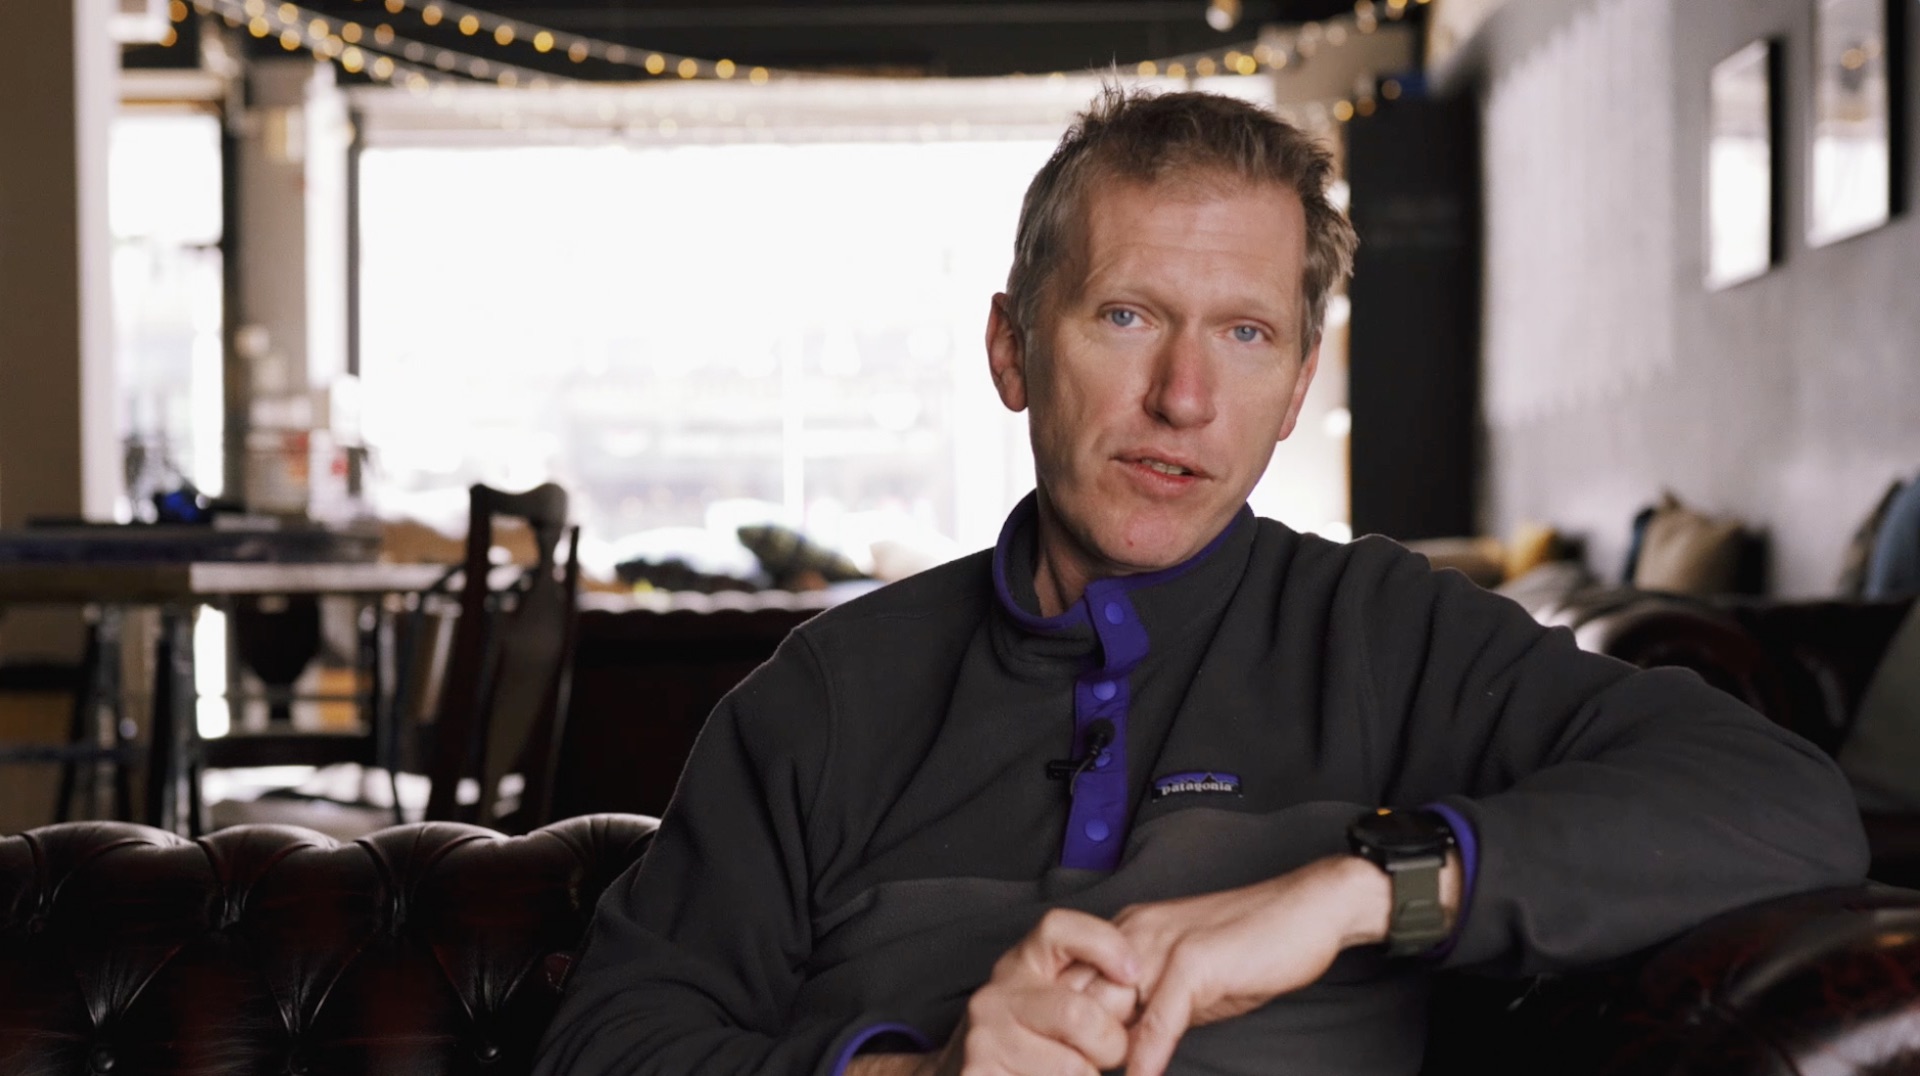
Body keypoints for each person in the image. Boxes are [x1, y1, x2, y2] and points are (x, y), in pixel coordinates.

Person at [534, 87, 1866, 1076]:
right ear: (1013, 351)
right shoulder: (827, 696)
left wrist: (1353, 892)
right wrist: (913, 1074)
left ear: (1295, 387)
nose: (1184, 397)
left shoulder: (1385, 631)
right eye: (1127, 317)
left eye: (1245, 334)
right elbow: (609, 1040)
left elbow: (1783, 805)